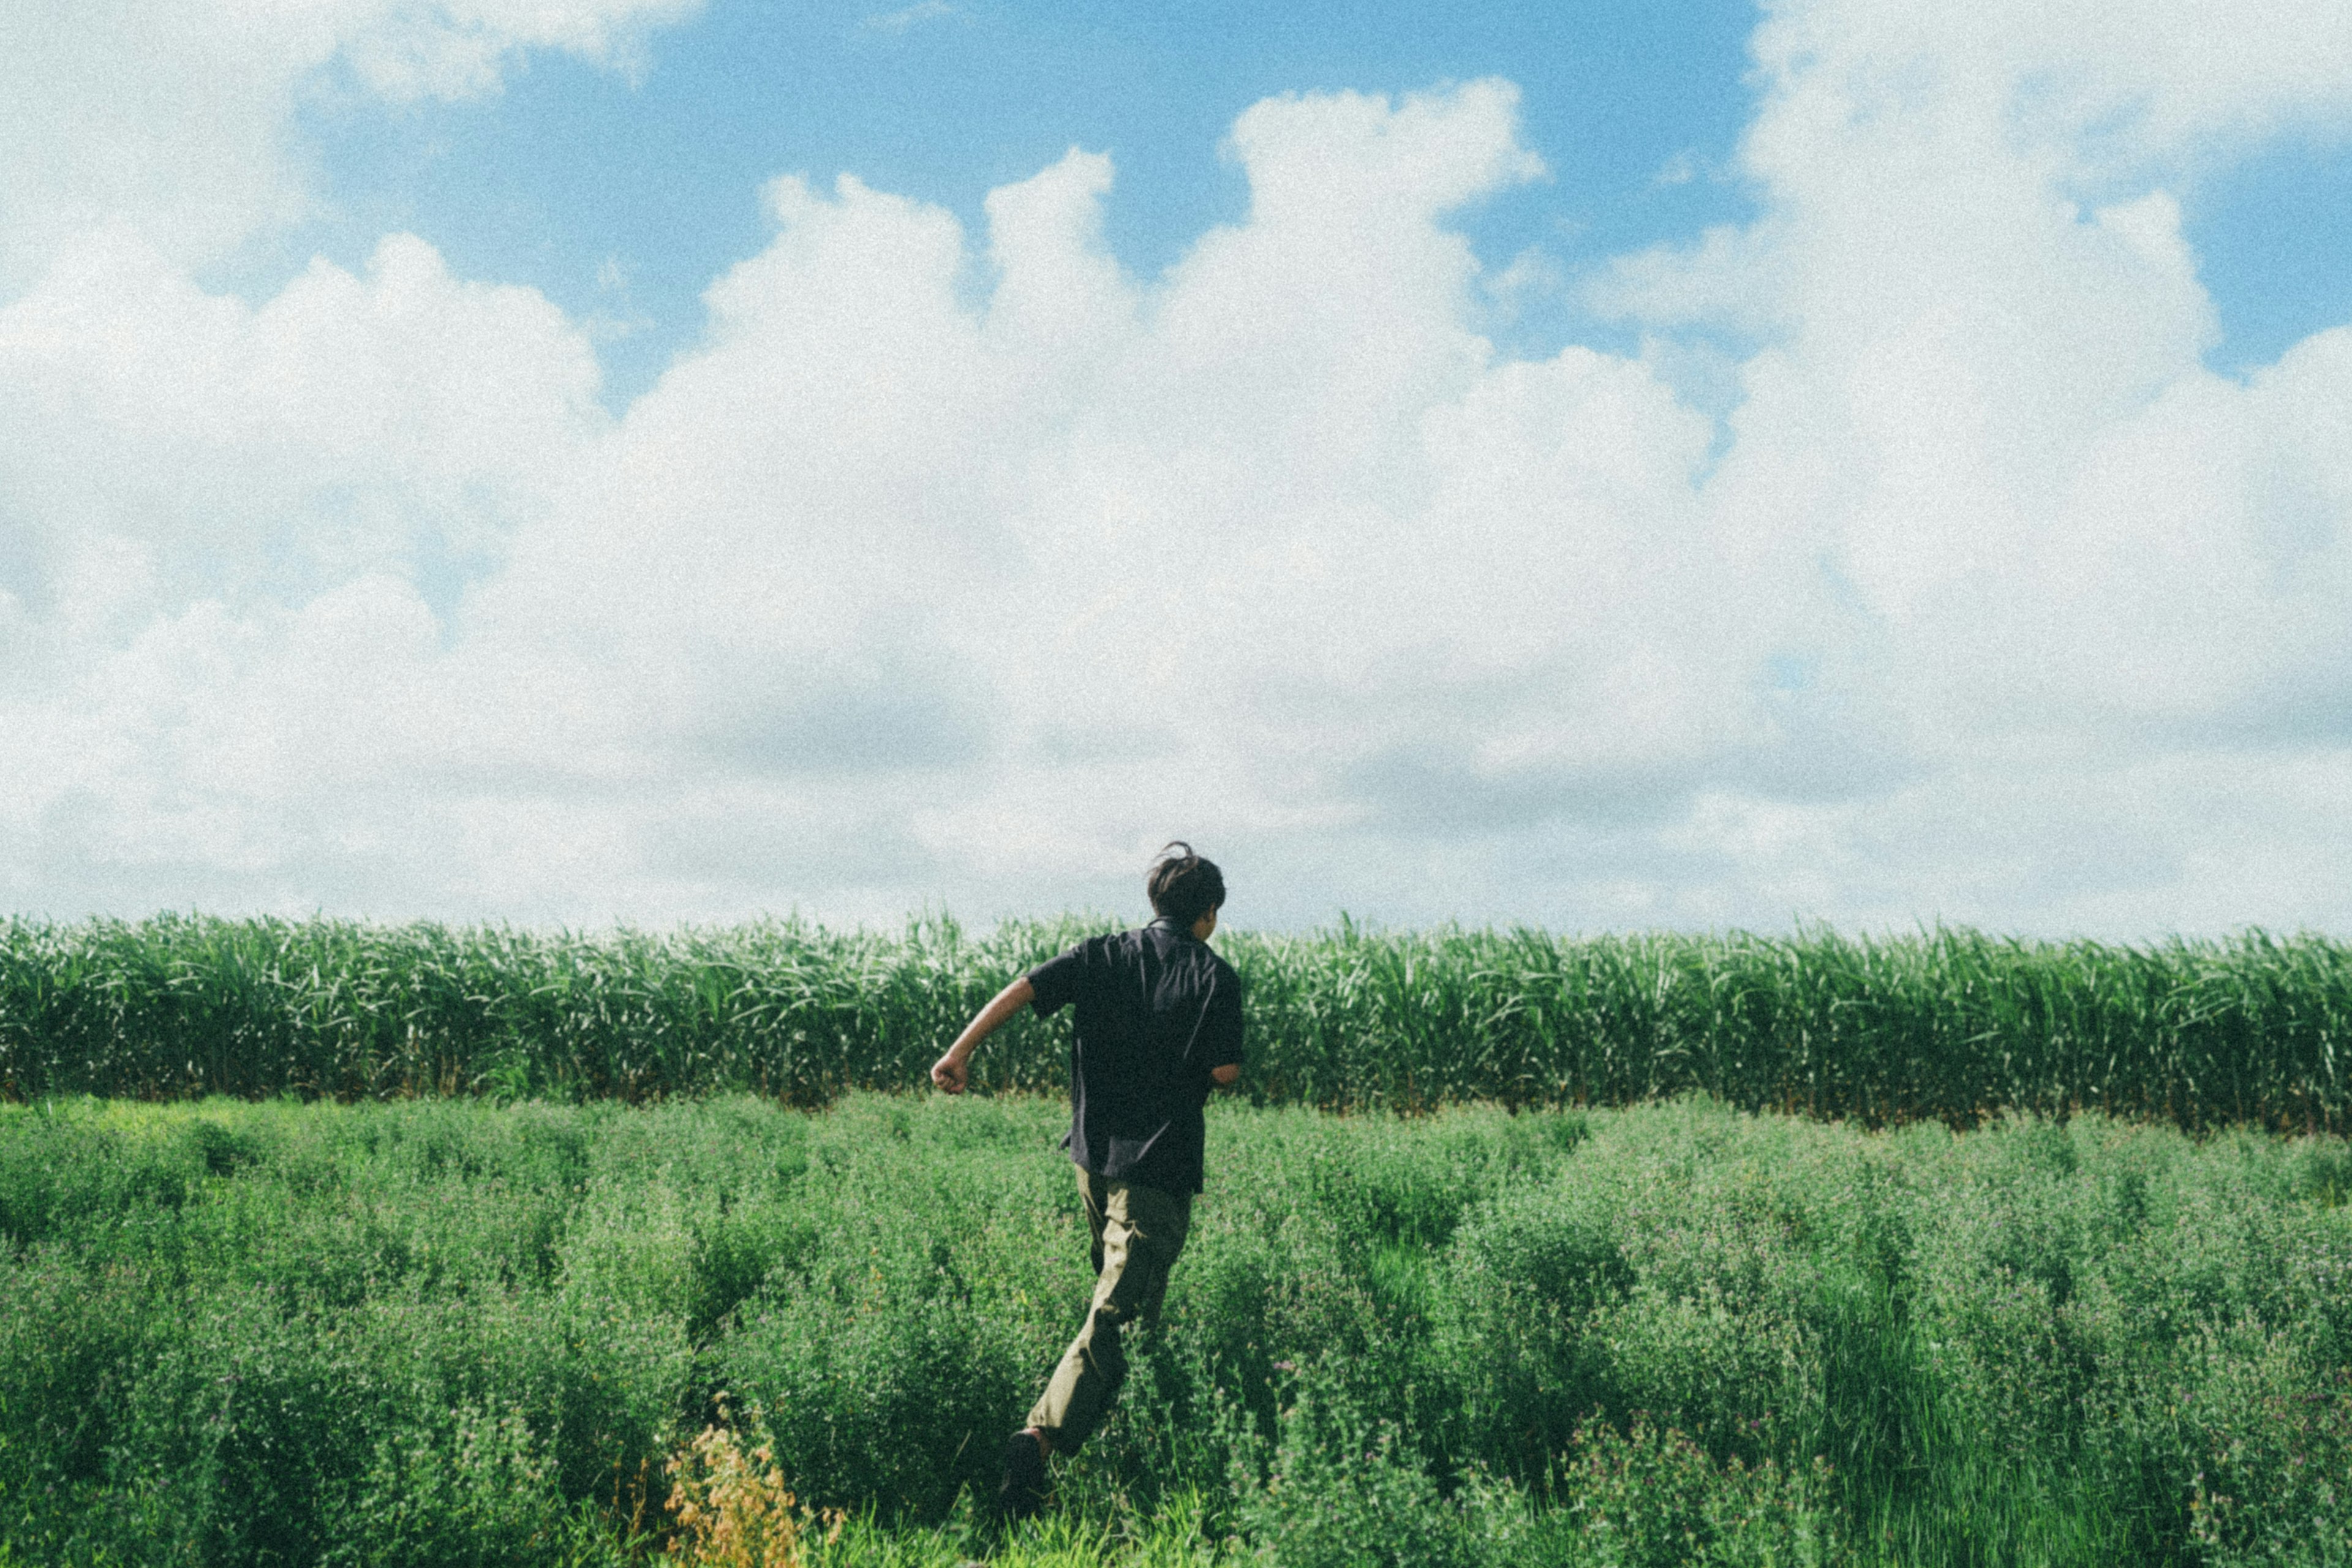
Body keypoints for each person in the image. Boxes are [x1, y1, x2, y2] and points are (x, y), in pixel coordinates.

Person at [930, 842, 1245, 1521]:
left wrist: (959, 1051)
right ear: (1209, 914)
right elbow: (1224, 1073)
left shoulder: (1101, 954)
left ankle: (1129, 1430)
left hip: (1092, 1160)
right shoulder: (1216, 978)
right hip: (1155, 1171)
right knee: (1118, 1314)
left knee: (1125, 1304)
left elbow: (1023, 988)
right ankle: (1038, 1442)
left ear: (1155, 901)